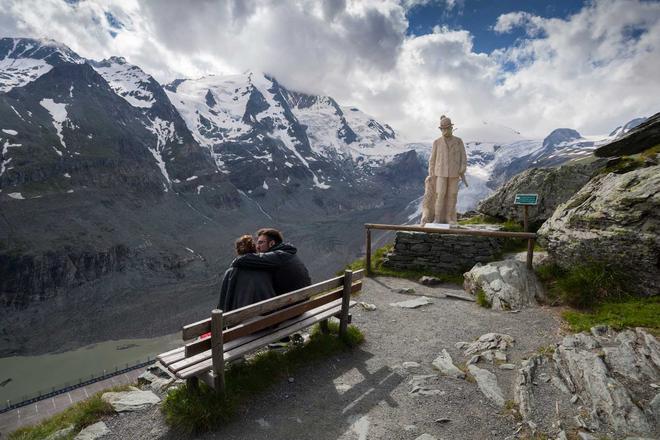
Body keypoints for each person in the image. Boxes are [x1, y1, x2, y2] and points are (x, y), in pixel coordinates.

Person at [231, 228, 311, 295]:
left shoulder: (277, 256)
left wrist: (235, 261)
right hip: (302, 303)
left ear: (272, 243)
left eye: (261, 243)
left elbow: (242, 260)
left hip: (291, 307)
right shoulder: (288, 254)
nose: (257, 247)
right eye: (257, 243)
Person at [421, 115, 467, 225]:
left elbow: (463, 157)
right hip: (440, 173)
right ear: (441, 130)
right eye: (443, 129)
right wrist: (431, 173)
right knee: (440, 194)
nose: (445, 130)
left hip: (454, 173)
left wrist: (462, 168)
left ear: (451, 128)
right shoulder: (436, 142)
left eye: (447, 128)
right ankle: (437, 218)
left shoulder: (458, 141)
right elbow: (432, 159)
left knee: (452, 194)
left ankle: (449, 217)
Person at [217, 235, 277, 312]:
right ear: (254, 249)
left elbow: (223, 303)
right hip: (269, 318)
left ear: (238, 250)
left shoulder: (231, 273)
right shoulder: (265, 269)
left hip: (243, 320)